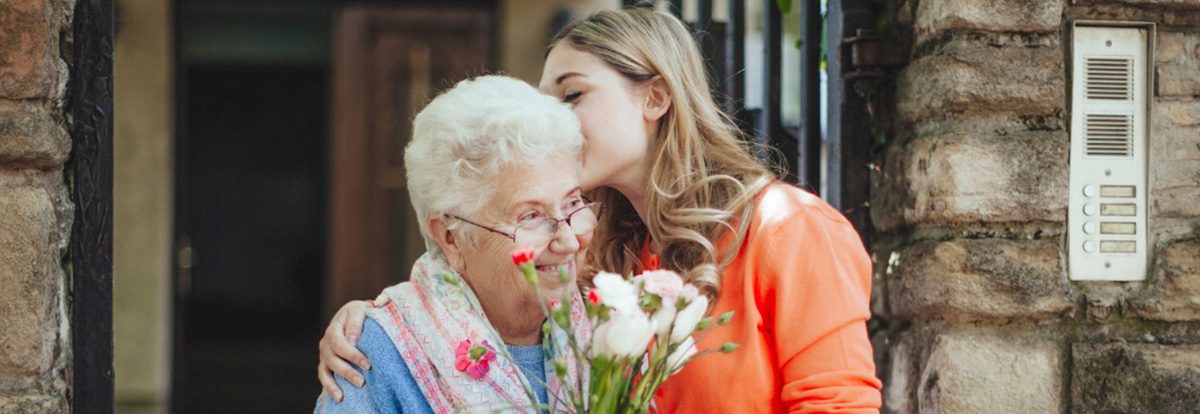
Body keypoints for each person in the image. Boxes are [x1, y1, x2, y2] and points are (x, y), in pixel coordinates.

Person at [320, 8, 882, 413]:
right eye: (544, 99)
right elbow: (477, 285)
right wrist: (368, 320)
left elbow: (839, 405)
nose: (554, 118)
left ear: (655, 98)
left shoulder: (790, 227)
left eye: (572, 95)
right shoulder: (605, 253)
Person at [314, 75, 600, 413]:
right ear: (451, 237)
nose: (568, 240)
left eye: (572, 203)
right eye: (530, 216)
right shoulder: (376, 354)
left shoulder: (612, 327)